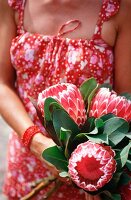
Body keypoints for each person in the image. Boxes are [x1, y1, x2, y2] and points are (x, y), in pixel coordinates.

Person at [0, 0, 131, 199]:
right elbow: (2, 84)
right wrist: (35, 142)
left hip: (93, 172)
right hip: (26, 164)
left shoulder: (119, 8)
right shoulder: (13, 3)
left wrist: (98, 174)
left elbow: (125, 103)